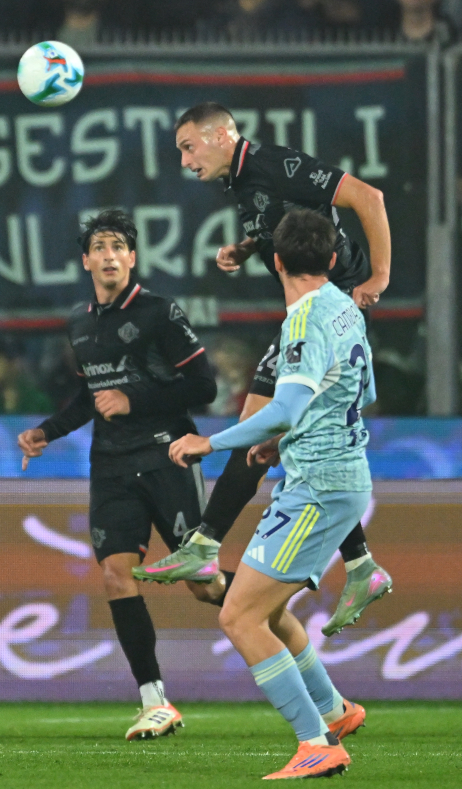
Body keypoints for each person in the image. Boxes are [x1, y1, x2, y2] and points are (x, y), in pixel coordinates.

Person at [137, 102, 392, 639]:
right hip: (314, 312)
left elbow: (369, 198)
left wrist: (380, 276)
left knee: (267, 423)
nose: (184, 161)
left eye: (189, 146)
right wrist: (249, 246)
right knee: (287, 441)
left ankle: (205, 545)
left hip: (327, 308)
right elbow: (287, 221)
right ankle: (361, 565)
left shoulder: (277, 164)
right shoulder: (243, 183)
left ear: (223, 135)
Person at [167, 210, 373, 780]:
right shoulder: (346, 308)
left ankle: (317, 742)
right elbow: (361, 391)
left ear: (276, 261)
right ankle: (335, 711)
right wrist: (282, 444)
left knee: (239, 617)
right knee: (266, 609)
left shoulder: (304, 320)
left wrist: (209, 444)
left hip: (318, 490)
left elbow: (282, 409)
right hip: (336, 476)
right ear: (333, 260)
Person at [16, 209, 219, 741]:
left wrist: (135, 398)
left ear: (132, 258)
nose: (109, 256)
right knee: (114, 575)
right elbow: (93, 397)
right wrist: (47, 432)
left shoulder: (159, 312)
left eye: (118, 247)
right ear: (85, 260)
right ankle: (154, 701)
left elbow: (203, 386)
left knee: (204, 586)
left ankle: (295, 645)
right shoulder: (79, 324)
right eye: (99, 247)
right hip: (109, 465)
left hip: (166, 455)